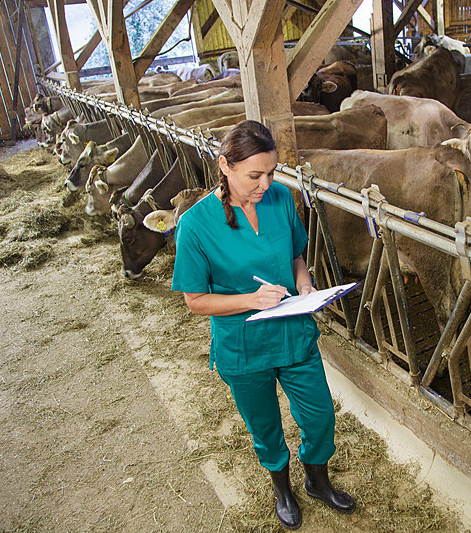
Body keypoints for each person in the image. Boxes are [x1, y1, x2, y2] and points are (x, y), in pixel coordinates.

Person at [171, 120, 354, 529]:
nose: (265, 184)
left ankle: (317, 479)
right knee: (265, 426)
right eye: (255, 175)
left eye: (271, 173)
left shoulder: (281, 199)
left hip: (292, 332)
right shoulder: (196, 225)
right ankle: (282, 488)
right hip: (243, 345)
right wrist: (250, 300)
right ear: (225, 166)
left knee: (320, 414)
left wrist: (305, 285)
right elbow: (195, 301)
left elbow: (296, 256)